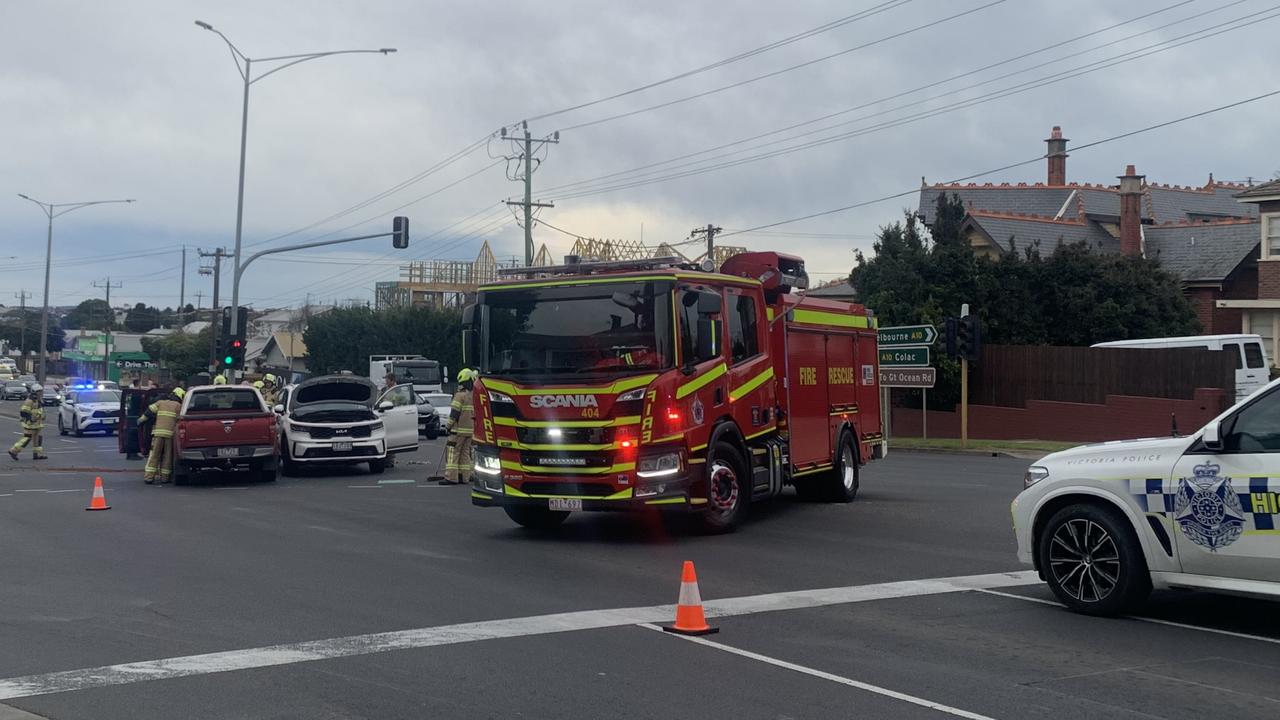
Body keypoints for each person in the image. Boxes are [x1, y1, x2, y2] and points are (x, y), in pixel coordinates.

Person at [138, 387, 185, 484]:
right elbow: (180, 419)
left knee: (155, 455)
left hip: (158, 433)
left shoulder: (160, 403)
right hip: (170, 435)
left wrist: (140, 421)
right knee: (168, 456)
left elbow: (148, 412)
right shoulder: (178, 406)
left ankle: (149, 477)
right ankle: (165, 477)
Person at [441, 369, 476, 485]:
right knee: (465, 454)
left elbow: (454, 414)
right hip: (470, 431)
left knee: (453, 453)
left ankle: (451, 477)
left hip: (457, 431)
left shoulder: (459, 396)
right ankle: (464, 477)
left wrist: (448, 426)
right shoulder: (473, 396)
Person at [8, 385, 48, 461]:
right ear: (34, 392)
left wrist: (42, 416)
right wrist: (31, 418)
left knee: (38, 438)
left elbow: (39, 410)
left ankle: (37, 454)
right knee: (27, 438)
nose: (41, 393)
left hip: (37, 424)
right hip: (30, 424)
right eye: (39, 392)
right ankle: (13, 451)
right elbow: (23, 412)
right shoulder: (29, 401)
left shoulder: (37, 400)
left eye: (41, 391)